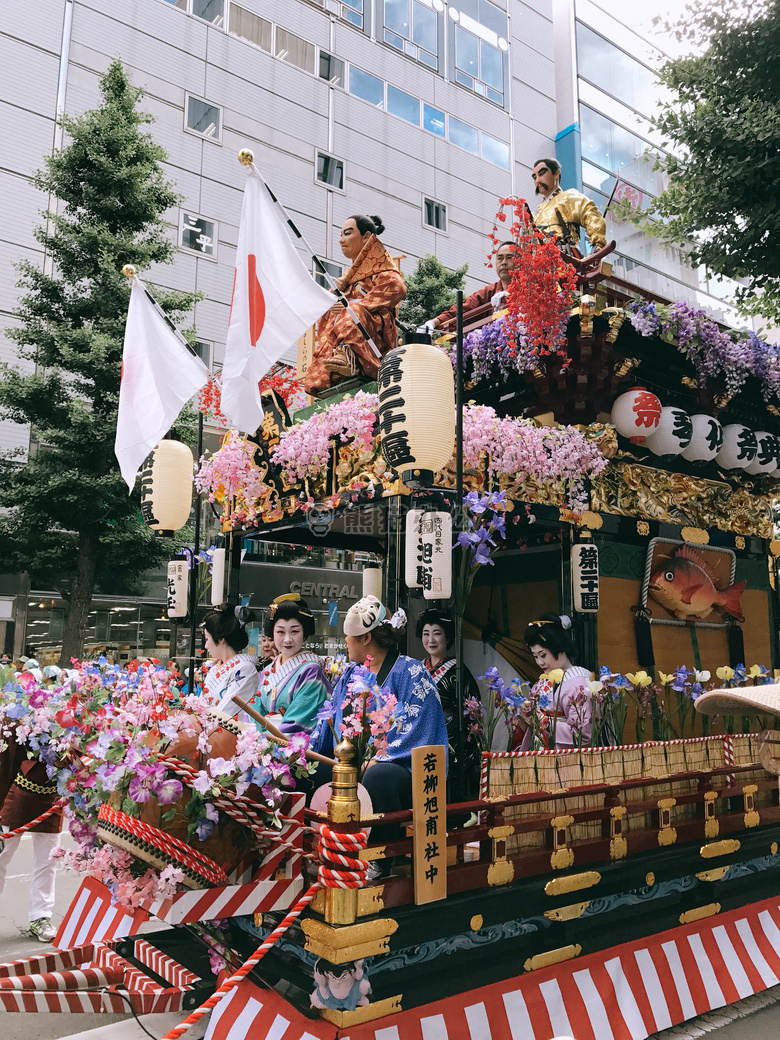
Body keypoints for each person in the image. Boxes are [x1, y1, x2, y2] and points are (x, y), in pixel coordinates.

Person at [311, 596, 448, 861]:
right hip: (354, 763)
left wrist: (379, 758)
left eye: (349, 636)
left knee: (378, 777)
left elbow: (422, 729)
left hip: (400, 770)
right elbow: (327, 726)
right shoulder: (350, 674)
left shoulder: (412, 672)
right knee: (309, 770)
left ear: (365, 639)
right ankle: (320, 849)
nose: (345, 642)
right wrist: (304, 752)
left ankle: (382, 858)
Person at [304, 215, 406, 394]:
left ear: (366, 237)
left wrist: (353, 306)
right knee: (342, 315)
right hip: (344, 327)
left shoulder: (383, 270)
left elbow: (397, 287)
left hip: (372, 331)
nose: (341, 240)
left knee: (353, 311)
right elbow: (326, 308)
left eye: (347, 233)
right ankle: (340, 362)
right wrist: (332, 305)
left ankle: (348, 357)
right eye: (341, 234)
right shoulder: (346, 279)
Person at [0, 731, 62, 942]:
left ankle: (40, 916)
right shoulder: (22, 708)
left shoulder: (78, 710)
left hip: (54, 795)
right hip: (19, 790)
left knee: (48, 860)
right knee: (2, 856)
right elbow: (6, 762)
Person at [417, 608, 480, 797]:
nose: (431, 640)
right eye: (426, 634)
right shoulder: (418, 668)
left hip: (450, 744)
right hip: (421, 742)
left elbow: (471, 712)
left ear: (447, 637)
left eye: (437, 633)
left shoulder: (459, 671)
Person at [252, 596, 330, 735]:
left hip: (290, 748)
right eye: (280, 632)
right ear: (273, 633)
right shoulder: (268, 670)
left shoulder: (311, 671)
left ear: (304, 633)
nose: (287, 639)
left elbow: (298, 723)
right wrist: (253, 741)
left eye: (294, 631)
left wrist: (265, 745)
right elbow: (254, 714)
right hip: (262, 746)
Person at [519, 612, 592, 749]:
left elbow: (584, 734)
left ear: (561, 649)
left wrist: (543, 723)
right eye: (535, 656)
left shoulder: (580, 684)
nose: (539, 662)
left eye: (543, 655)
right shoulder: (541, 683)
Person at [428, 241, 518, 330]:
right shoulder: (489, 291)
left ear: (520, 262)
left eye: (510, 258)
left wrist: (509, 294)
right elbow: (461, 309)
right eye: (500, 258)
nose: (504, 262)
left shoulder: (529, 288)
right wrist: (432, 323)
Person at [531, 158, 607, 253]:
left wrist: (598, 242)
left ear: (556, 174)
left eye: (541, 174)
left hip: (565, 259)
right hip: (539, 263)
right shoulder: (535, 213)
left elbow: (591, 214)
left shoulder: (569, 197)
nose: (537, 180)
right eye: (534, 177)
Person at [202, 604, 261, 716]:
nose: (205, 646)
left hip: (224, 729)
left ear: (220, 639)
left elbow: (226, 713)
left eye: (207, 639)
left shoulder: (245, 669)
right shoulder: (214, 668)